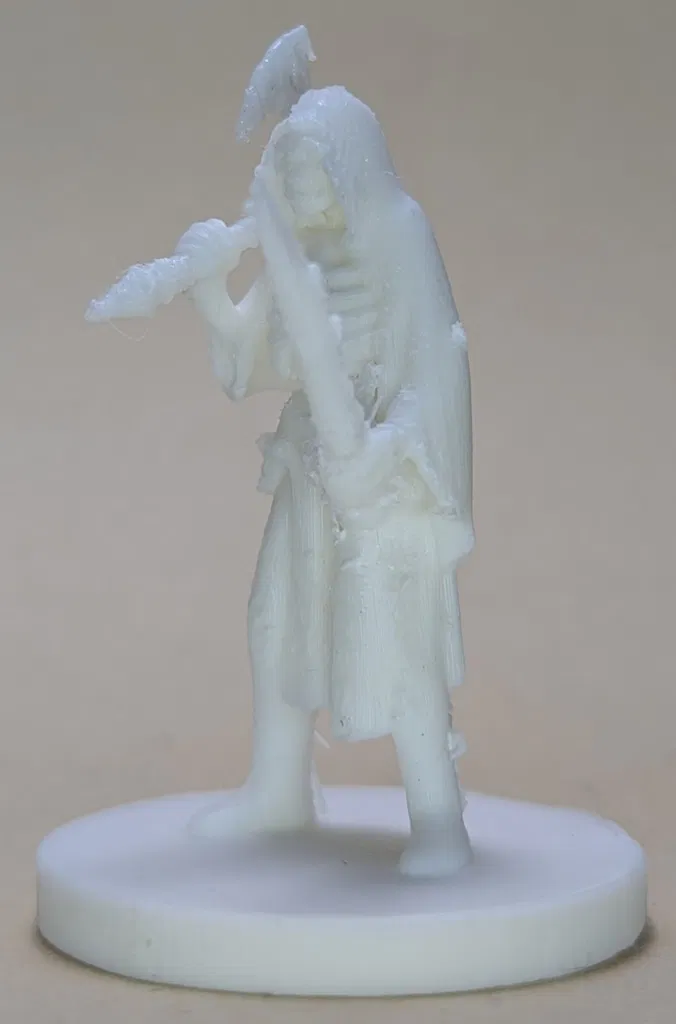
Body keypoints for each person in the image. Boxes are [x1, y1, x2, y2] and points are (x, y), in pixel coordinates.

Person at [187, 85, 475, 878]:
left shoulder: (398, 232)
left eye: (310, 168)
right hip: (311, 464)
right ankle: (277, 791)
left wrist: (387, 448)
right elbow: (262, 360)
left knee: (397, 638)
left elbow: (437, 359)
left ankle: (439, 818)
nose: (300, 185)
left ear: (349, 165)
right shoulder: (301, 245)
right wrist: (211, 288)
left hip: (388, 479)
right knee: (276, 620)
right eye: (290, 170)